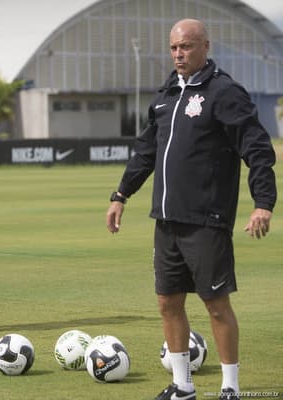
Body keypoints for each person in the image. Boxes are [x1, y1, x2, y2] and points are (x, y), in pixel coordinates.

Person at [106, 19, 277, 400]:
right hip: (166, 222)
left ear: (205, 47)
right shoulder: (166, 94)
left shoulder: (225, 93)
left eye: (186, 47)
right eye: (173, 48)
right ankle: (183, 385)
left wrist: (263, 203)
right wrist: (121, 194)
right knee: (168, 302)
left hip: (206, 221)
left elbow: (257, 149)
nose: (179, 54)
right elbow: (145, 151)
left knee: (216, 306)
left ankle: (230, 387)